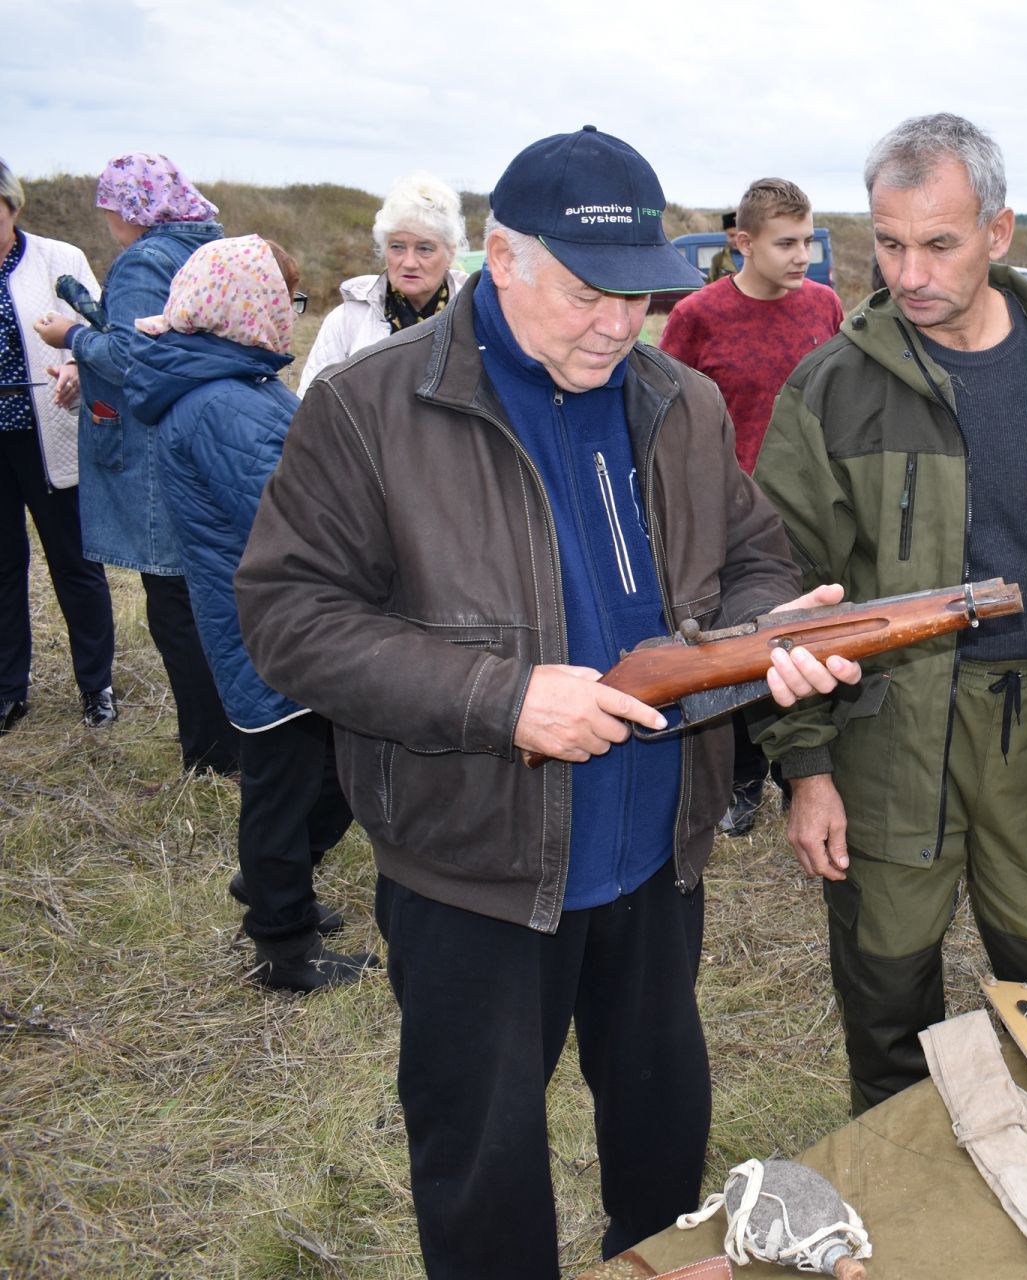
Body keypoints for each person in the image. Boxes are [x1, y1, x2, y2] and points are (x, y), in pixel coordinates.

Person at [233, 126, 859, 1275]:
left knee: (663, 1153)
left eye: (642, 296)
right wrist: (500, 696)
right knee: (485, 1172)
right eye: (588, 292)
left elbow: (754, 554)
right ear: (501, 258)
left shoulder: (681, 401)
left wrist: (770, 634)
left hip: (658, 861)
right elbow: (288, 617)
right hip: (475, 866)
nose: (619, 325)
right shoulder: (370, 408)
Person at [754, 112, 1027, 1111]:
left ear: (1000, 231)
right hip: (886, 731)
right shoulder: (831, 391)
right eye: (887, 243)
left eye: (938, 243)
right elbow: (778, 589)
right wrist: (806, 767)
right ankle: (898, 1186)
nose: (908, 273)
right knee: (888, 983)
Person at [125, 235, 372, 990]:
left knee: (325, 764)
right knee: (287, 777)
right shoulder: (223, 403)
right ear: (246, 308)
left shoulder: (232, 382)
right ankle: (282, 942)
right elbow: (296, 512)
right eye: (282, 302)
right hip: (271, 625)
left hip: (274, 616)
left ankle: (274, 882)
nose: (290, 319)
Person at [33, 153, 238, 774]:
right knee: (201, 597)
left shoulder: (147, 258)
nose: (107, 225)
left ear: (132, 207)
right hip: (199, 432)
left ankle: (212, 749)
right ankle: (230, 736)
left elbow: (133, 360)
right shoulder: (203, 248)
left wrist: (70, 337)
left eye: (110, 211)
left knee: (175, 602)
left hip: (155, 449)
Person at [660, 177, 844, 837]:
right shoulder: (696, 316)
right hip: (725, 518)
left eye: (807, 240)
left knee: (807, 645)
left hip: (812, 512)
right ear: (742, 242)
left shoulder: (824, 306)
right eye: (786, 242)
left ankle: (803, 773)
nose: (802, 255)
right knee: (738, 648)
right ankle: (739, 781)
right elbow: (660, 413)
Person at [0, 157, 116, 733]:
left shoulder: (58, 259)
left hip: (50, 433)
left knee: (75, 564)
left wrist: (73, 363)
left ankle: (97, 685)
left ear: (12, 207)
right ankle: (8, 689)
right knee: (2, 565)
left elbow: (98, 328)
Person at [297, 171, 469, 394]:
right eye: (397, 246)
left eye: (424, 248)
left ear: (450, 253)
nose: (409, 262)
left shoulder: (474, 320)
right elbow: (311, 406)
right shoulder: (347, 321)